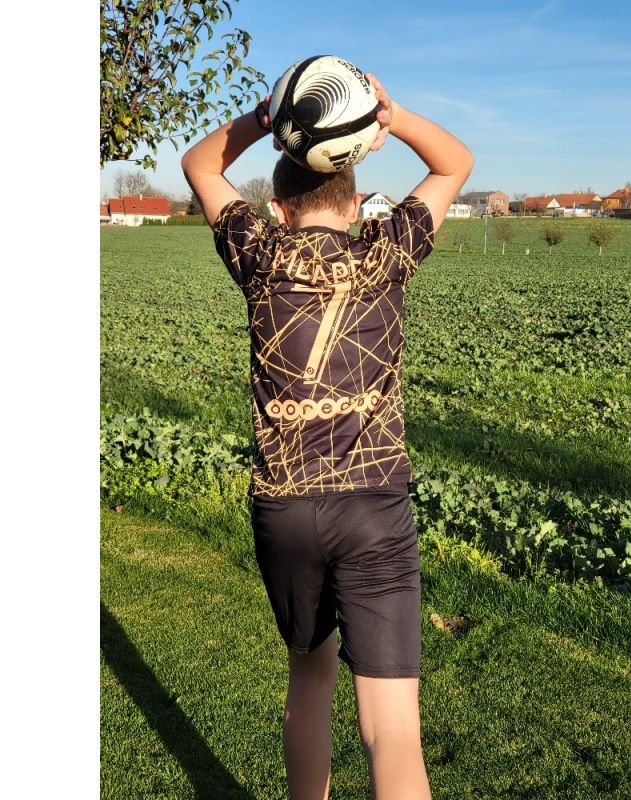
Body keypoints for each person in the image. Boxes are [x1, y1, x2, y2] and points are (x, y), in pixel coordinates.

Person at [181, 71, 473, 800]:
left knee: (309, 680)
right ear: (356, 201)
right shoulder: (387, 252)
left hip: (285, 507)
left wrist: (268, 117)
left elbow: (200, 166)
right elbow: (454, 165)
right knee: (393, 730)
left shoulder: (260, 255)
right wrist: (391, 115)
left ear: (276, 209)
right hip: (375, 506)